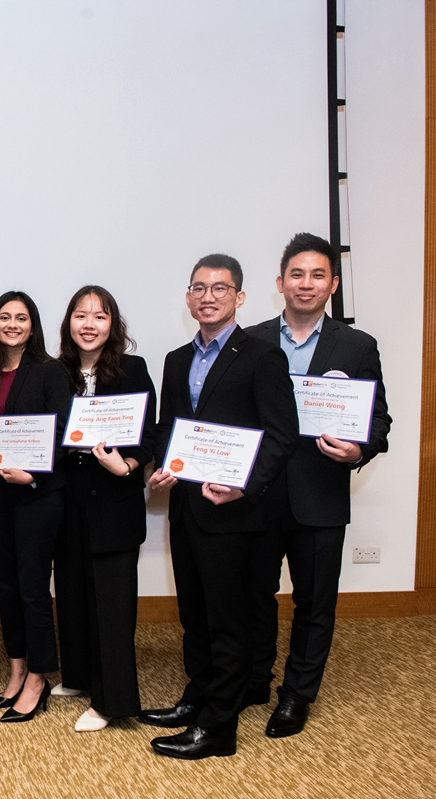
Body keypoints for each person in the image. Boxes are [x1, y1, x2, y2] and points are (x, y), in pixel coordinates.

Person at [141, 254, 298, 760]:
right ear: (188, 298)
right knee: (195, 614)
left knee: (229, 619)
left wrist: (242, 486)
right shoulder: (176, 360)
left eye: (219, 288)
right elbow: (170, 428)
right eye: (199, 288)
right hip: (187, 508)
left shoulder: (262, 356)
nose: (208, 297)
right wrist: (160, 466)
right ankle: (199, 696)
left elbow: (281, 435)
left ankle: (218, 728)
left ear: (239, 297)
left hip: (234, 514)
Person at [245, 233, 391, 738]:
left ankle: (296, 695)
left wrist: (358, 450)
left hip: (320, 495)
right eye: (297, 274)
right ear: (280, 282)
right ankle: (255, 679)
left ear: (333, 284)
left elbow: (378, 421)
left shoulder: (357, 346)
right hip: (258, 494)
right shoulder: (251, 340)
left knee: (314, 602)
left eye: (317, 275)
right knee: (254, 594)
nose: (306, 284)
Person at [52, 286, 157, 732]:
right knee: (72, 592)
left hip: (114, 499)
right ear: (68, 323)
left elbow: (150, 434)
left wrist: (128, 465)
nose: (89, 324)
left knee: (112, 606)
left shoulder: (133, 369)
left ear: (113, 324)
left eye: (99, 316)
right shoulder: (54, 372)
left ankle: (112, 701)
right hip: (66, 501)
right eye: (81, 315)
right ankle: (78, 676)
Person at [0, 291, 72, 723]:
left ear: (33, 326)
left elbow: (64, 431)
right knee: (5, 586)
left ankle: (38, 677)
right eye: (5, 317)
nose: (13, 324)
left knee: (32, 587)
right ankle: (16, 669)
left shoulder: (50, 370)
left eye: (22, 318)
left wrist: (33, 474)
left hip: (36, 495)